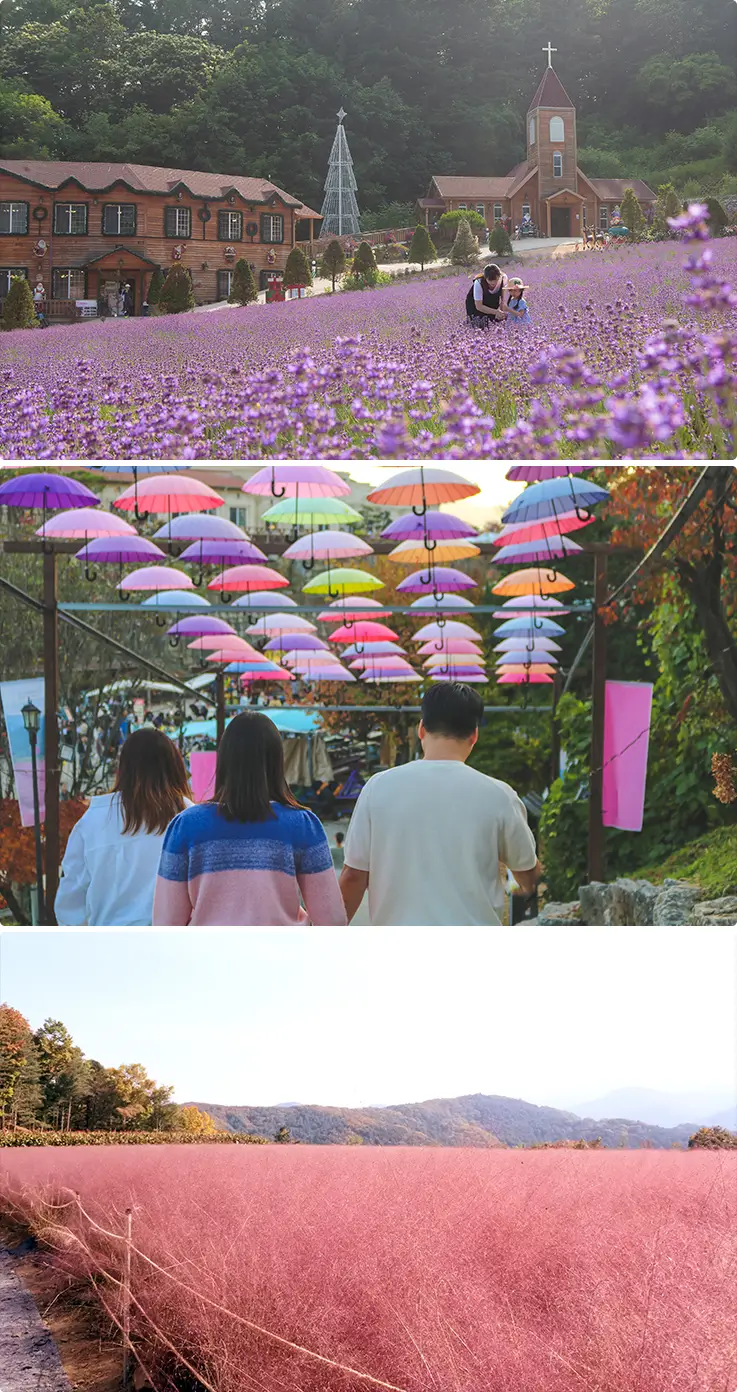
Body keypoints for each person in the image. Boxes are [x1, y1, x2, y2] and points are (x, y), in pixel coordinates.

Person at [340, 683, 541, 927]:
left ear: (421, 729)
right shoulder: (500, 796)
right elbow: (526, 873)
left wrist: (321, 938)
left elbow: (353, 877)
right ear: (474, 735)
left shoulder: (378, 788)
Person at [152, 711, 347, 927]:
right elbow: (332, 921)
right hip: (283, 957)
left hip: (208, 958)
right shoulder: (303, 825)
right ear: (276, 762)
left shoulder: (186, 826)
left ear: (224, 760)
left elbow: (166, 923)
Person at [55, 728, 191, 927]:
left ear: (123, 769)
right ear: (175, 767)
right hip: (171, 947)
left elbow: (70, 904)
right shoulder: (189, 817)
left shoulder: (93, 821)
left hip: (107, 946)